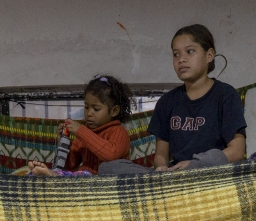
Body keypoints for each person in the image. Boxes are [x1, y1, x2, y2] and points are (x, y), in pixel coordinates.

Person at [101, 24, 247, 175]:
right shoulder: (167, 102)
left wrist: (195, 165)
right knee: (107, 168)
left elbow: (237, 151)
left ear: (209, 55)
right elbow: (161, 155)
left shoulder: (226, 95)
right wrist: (162, 168)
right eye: (176, 54)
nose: (181, 59)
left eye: (190, 51)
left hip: (210, 173)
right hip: (175, 175)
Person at [29, 75, 134, 176]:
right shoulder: (83, 134)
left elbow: (111, 155)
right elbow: (69, 165)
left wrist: (81, 131)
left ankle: (52, 176)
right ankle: (49, 175)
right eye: (86, 107)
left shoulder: (119, 131)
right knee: (42, 174)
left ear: (114, 111)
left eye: (96, 109)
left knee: (78, 175)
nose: (89, 113)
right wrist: (63, 143)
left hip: (109, 185)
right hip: (84, 183)